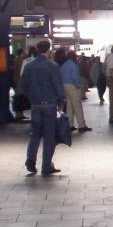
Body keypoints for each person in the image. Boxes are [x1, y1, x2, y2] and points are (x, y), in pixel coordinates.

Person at [18, 40, 64, 176]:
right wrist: (61, 102)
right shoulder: (52, 66)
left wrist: (32, 98)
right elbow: (58, 86)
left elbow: (23, 86)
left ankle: (30, 160)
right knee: (49, 137)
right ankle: (46, 166)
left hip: (35, 106)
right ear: (49, 50)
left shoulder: (29, 66)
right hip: (50, 105)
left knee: (35, 134)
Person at [61, 50, 91, 133]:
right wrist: (78, 86)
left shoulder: (64, 65)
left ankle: (70, 125)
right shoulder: (74, 65)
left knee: (69, 106)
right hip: (72, 86)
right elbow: (75, 77)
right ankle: (82, 125)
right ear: (73, 57)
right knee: (77, 105)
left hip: (65, 86)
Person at [12, 50, 28, 121]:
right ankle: (18, 115)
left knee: (19, 98)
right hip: (18, 82)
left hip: (17, 81)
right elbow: (21, 72)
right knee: (18, 98)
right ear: (22, 53)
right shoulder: (20, 60)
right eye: (24, 52)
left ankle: (20, 115)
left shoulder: (17, 59)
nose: (25, 53)